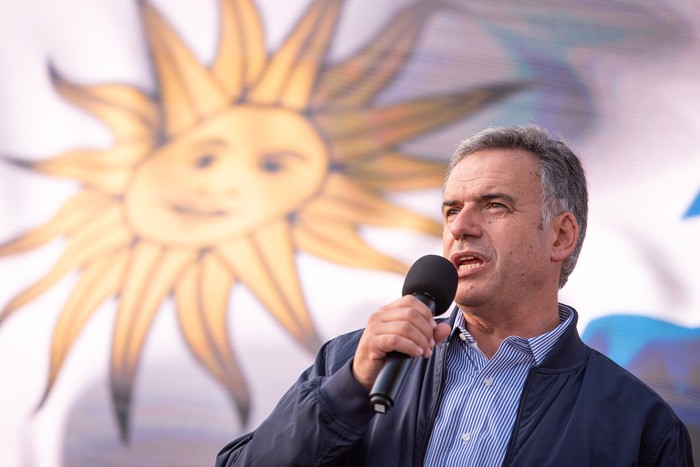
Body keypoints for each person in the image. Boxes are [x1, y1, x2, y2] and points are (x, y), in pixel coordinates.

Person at [215, 125, 694, 466]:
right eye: (451, 211)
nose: (461, 228)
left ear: (561, 236)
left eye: (494, 206)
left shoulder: (641, 426)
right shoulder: (350, 362)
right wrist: (348, 391)